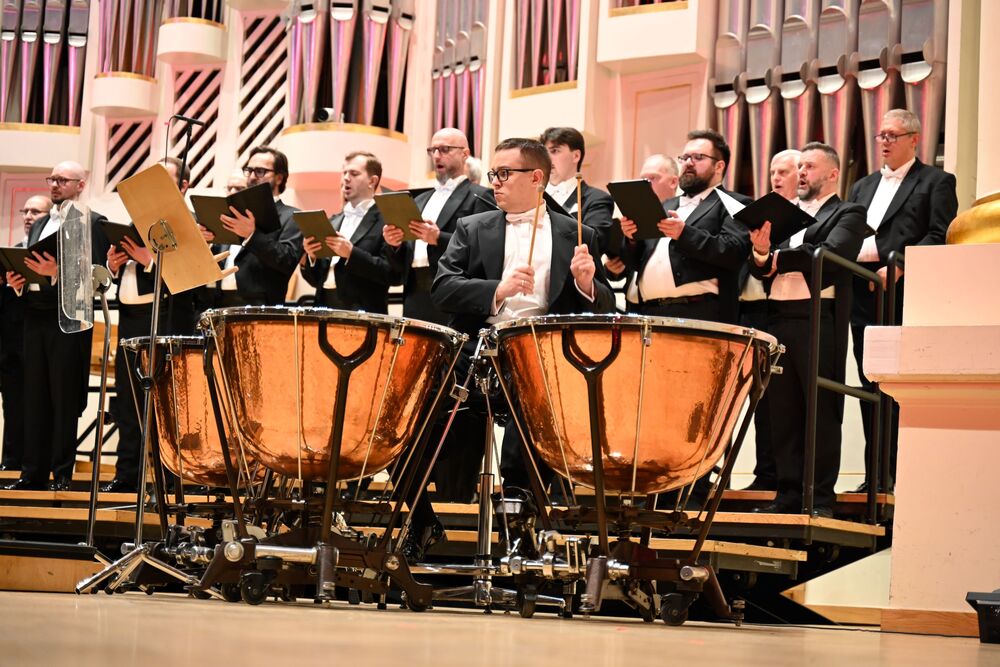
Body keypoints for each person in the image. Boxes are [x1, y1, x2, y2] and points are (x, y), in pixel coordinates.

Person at [385, 137, 616, 563]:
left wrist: (587, 284)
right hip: (474, 349)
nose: (495, 181)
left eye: (504, 173)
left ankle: (521, 525)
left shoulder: (577, 233)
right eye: (493, 173)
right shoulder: (474, 227)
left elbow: (604, 305)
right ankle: (421, 519)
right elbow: (443, 288)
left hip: (539, 355)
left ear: (536, 177)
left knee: (530, 436)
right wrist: (498, 289)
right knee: (400, 426)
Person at [749, 142, 868, 517]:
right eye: (799, 166)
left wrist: (776, 258)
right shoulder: (787, 214)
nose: (801, 173)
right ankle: (787, 493)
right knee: (782, 409)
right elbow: (760, 267)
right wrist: (761, 253)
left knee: (821, 408)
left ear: (833, 174)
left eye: (809, 166)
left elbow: (831, 255)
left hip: (819, 316)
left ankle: (819, 497)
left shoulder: (848, 212)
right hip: (778, 315)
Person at [848, 109, 957, 491]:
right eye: (881, 135)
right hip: (861, 289)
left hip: (903, 291)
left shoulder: (937, 181)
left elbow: (940, 234)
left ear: (914, 139)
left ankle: (898, 475)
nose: (885, 142)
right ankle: (874, 477)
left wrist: (901, 266)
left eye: (893, 135)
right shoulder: (862, 186)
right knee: (868, 383)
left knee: (897, 385)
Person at [3, 162, 110, 490]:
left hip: (69, 320)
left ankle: (62, 474)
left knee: (63, 398)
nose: (55, 184)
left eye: (63, 180)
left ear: (81, 185)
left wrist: (57, 273)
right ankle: (31, 473)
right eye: (52, 179)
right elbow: (32, 262)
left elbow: (98, 277)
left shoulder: (93, 222)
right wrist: (18, 282)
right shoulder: (40, 223)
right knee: (33, 395)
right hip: (34, 317)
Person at [101, 157, 198, 494]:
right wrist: (113, 265)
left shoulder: (188, 222)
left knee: (164, 404)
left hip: (165, 316)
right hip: (129, 319)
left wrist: (150, 261)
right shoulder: (137, 220)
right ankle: (127, 473)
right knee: (127, 401)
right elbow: (123, 271)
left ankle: (169, 479)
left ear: (182, 186)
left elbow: (191, 276)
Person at [620, 129, 751, 324]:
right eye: (685, 157)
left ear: (719, 166)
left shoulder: (734, 202)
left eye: (698, 157)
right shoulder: (666, 205)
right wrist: (632, 239)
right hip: (650, 312)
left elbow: (733, 251)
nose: (688, 163)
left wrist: (684, 233)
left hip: (701, 312)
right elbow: (635, 263)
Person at [381, 128, 493, 324]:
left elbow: (484, 251)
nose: (437, 156)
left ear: (465, 154)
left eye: (445, 149)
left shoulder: (480, 196)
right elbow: (402, 263)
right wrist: (395, 244)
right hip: (414, 292)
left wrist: (438, 238)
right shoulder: (419, 200)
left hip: (453, 292)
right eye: (432, 150)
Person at [740, 149, 801, 492]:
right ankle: (764, 472)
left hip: (779, 311)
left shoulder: (805, 216)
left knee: (780, 397)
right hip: (749, 308)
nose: (775, 177)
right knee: (758, 397)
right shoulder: (760, 213)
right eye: (773, 172)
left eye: (784, 171)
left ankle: (782, 475)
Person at [205, 146, 302, 307]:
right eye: (249, 170)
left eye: (260, 171)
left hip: (260, 306)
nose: (251, 176)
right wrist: (206, 240)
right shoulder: (234, 212)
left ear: (279, 178)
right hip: (221, 302)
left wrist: (252, 235)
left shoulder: (292, 216)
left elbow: (287, 261)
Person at [300, 151, 395, 312]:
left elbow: (390, 273)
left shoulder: (386, 220)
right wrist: (312, 256)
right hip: (323, 308)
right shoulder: (333, 220)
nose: (346, 178)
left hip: (362, 311)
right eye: (344, 173)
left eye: (354, 173)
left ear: (372, 181)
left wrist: (351, 253)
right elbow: (315, 280)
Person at [0, 195, 51, 471]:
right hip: (11, 342)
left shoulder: (50, 255)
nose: (29, 216)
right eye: (26, 211)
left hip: (40, 337)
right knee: (12, 404)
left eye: (36, 212)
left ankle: (37, 462)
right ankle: (10, 461)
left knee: (37, 405)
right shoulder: (13, 252)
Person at [608, 154, 681, 311]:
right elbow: (631, 262)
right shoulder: (634, 216)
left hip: (668, 304)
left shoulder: (681, 218)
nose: (645, 185)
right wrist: (613, 268)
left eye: (652, 178)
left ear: (673, 182)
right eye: (643, 180)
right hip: (634, 305)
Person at [540, 127, 615, 254]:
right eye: (544, 152)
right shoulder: (534, 196)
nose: (547, 158)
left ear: (576, 156)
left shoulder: (597, 199)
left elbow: (594, 243)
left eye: (554, 151)